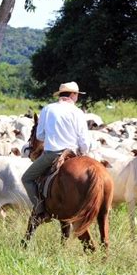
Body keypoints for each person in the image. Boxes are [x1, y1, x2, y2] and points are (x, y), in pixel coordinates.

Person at [22, 81, 91, 217]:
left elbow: (40, 135)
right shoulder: (77, 112)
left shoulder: (48, 109)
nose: (77, 97)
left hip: (52, 154)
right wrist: (83, 154)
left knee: (27, 178)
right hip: (75, 154)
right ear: (73, 95)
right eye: (77, 94)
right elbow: (84, 140)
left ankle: (41, 209)